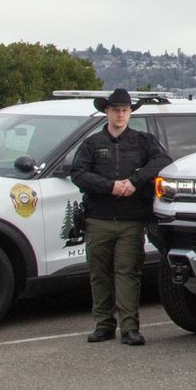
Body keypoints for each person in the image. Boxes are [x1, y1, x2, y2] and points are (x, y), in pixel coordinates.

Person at [70, 89, 170, 346]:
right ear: (107, 111)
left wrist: (135, 181)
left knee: (128, 272)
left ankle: (129, 328)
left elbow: (163, 160)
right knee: (99, 273)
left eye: (125, 110)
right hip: (98, 218)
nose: (120, 115)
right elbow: (78, 174)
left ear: (130, 113)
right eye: (115, 110)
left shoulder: (142, 140)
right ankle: (103, 324)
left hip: (130, 219)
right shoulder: (92, 143)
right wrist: (110, 186)